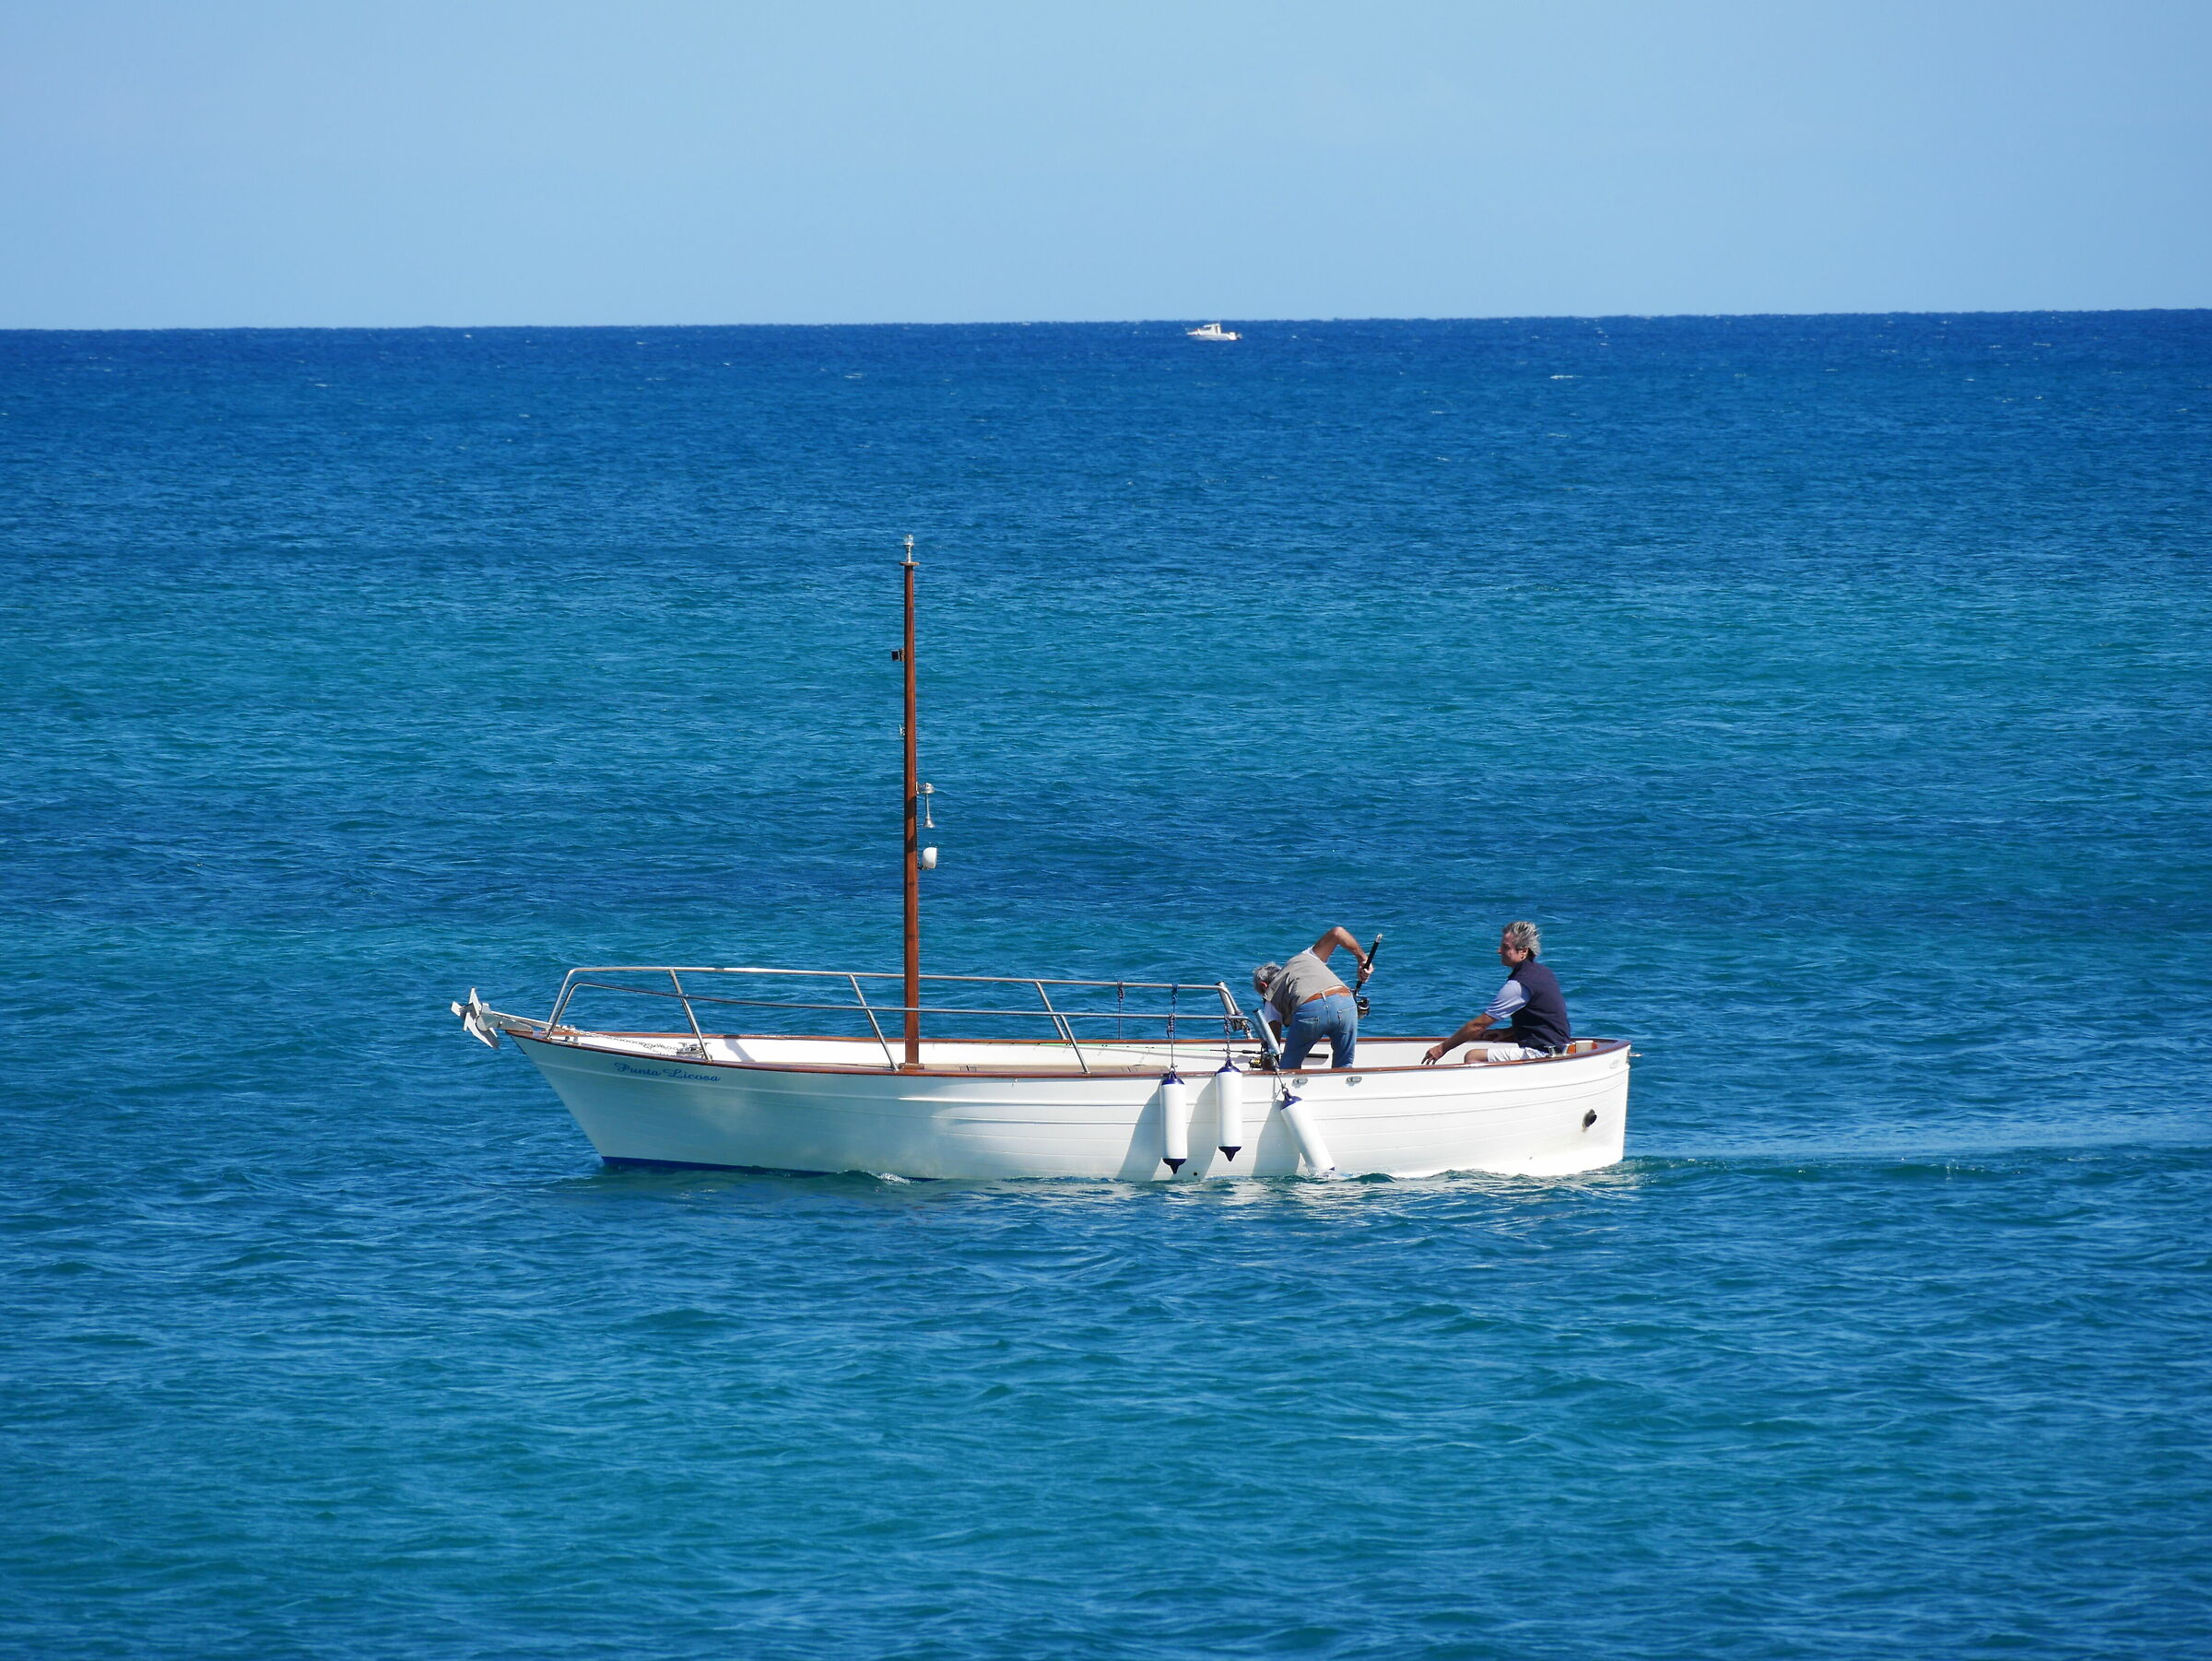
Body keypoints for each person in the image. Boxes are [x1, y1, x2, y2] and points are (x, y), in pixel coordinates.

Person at [1421, 921, 1571, 1065]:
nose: (1499, 951)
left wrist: (1441, 1049)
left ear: (1523, 952)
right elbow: (1544, 1020)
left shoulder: (1519, 985)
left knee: (1474, 1056)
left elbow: (1478, 1025)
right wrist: (1508, 1032)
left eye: (1505, 947)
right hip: (1557, 1047)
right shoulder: (1543, 973)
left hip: (1543, 1053)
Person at [1253, 926, 1371, 1071]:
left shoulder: (1271, 994)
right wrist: (1363, 959)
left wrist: (1267, 1071)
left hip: (1310, 1009)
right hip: (1345, 1001)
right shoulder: (1306, 957)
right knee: (1344, 1066)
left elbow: (1272, 1048)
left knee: (1289, 1068)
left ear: (1264, 985)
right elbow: (1338, 932)